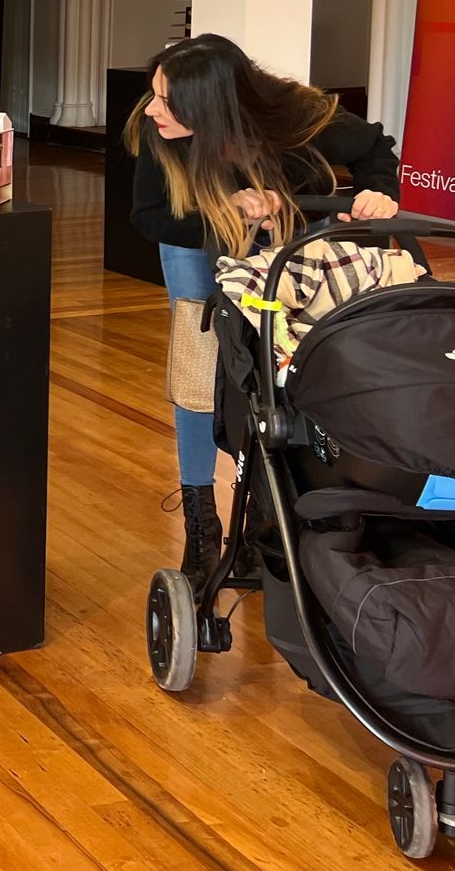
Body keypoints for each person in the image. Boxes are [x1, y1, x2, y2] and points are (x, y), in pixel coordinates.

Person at [126, 33, 400, 578]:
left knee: (282, 365)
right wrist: (227, 212)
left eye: (166, 99)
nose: (151, 108)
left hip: (288, 238)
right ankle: (202, 526)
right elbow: (149, 215)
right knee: (200, 369)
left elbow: (374, 146)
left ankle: (263, 513)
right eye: (154, 93)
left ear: (211, 105)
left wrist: (376, 191)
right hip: (194, 239)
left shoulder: (295, 117)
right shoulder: (159, 131)